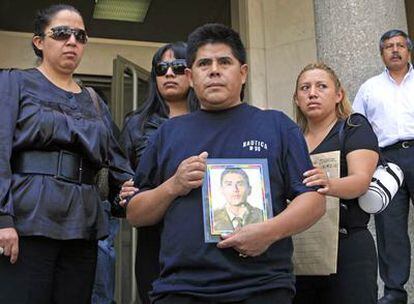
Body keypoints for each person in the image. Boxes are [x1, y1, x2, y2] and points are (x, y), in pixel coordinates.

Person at [126, 23, 325, 304]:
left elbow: (314, 202)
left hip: (262, 286)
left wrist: (269, 232)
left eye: (225, 62)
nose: (214, 70)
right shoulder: (168, 133)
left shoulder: (276, 126)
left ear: (243, 73)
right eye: (204, 63)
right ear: (191, 76)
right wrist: (173, 185)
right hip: (180, 289)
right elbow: (135, 213)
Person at [0, 4, 133, 304]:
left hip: (81, 226)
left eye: (80, 36)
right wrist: (2, 219)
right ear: (39, 42)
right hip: (26, 222)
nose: (72, 41)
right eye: (61, 33)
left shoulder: (95, 101)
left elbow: (118, 165)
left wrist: (130, 192)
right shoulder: (13, 82)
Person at [292, 62, 380, 304]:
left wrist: (328, 184)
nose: (312, 93)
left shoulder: (354, 127)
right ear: (297, 99)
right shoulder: (291, 138)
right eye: (305, 88)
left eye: (322, 86)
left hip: (348, 245)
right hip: (302, 249)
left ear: (338, 95)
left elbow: (360, 181)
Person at [118, 41, 199, 304]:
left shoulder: (213, 118)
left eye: (177, 66)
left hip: (205, 234)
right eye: (161, 68)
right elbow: (119, 175)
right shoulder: (137, 124)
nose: (169, 74)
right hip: (156, 237)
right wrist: (123, 190)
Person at [353, 29, 414, 304]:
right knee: (390, 230)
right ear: (381, 54)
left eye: (400, 45)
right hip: (387, 161)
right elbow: (357, 124)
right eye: (389, 46)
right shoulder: (369, 88)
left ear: (408, 50)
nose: (395, 50)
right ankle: (394, 292)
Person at [213, 167, 264, 232]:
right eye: (229, 184)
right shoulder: (212, 217)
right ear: (221, 190)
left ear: (249, 189)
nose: (235, 189)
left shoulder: (262, 215)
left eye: (240, 184)